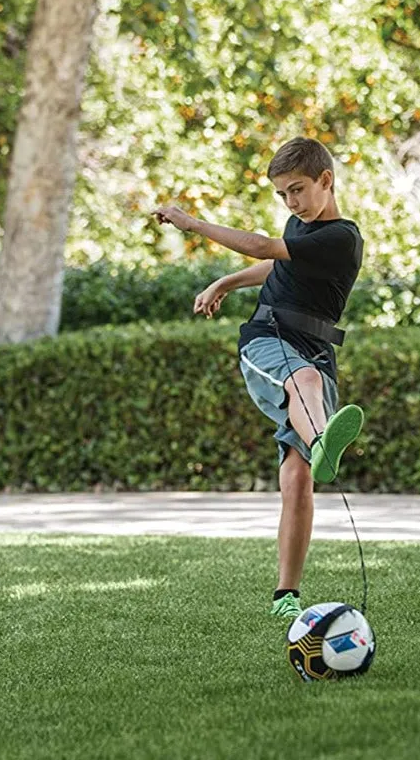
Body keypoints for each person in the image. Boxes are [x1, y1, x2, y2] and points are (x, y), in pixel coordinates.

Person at [152, 136, 365, 619]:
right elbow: (276, 265)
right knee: (304, 380)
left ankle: (285, 595)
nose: (290, 202)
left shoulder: (340, 237)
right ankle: (324, 441)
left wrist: (189, 222)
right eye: (282, 195)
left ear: (326, 181)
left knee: (297, 477)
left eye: (297, 190)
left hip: (315, 347)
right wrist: (226, 281)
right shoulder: (303, 225)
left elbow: (267, 248)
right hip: (269, 340)